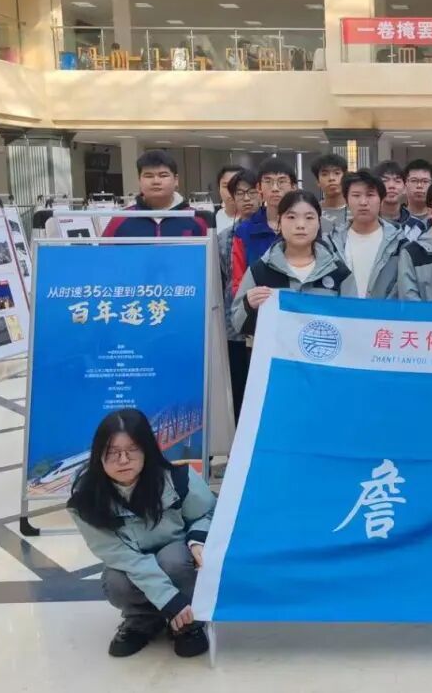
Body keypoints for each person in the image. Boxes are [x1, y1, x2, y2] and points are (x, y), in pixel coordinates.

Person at [68, 409, 216, 659]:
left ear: (147, 449)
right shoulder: (86, 500)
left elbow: (208, 512)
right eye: (112, 452)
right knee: (116, 582)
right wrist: (168, 600)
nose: (123, 460)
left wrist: (197, 541)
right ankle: (143, 619)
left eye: (132, 450)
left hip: (175, 551)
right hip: (131, 561)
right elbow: (120, 554)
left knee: (174, 560)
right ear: (98, 454)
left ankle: (189, 622)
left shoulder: (178, 478)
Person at [233, 191, 353, 334]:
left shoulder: (339, 273)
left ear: (319, 222)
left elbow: (354, 325)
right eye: (291, 217)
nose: (300, 225)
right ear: (279, 221)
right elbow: (237, 324)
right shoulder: (259, 271)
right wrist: (248, 305)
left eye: (309, 217)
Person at [218, 169, 260, 423]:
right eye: (240, 193)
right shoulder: (224, 238)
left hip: (263, 323)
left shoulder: (274, 231)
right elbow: (222, 280)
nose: (246, 199)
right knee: (238, 388)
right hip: (233, 327)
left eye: (252, 192)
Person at [328, 170, 404, 299]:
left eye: (370, 195)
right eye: (356, 195)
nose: (363, 202)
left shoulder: (400, 242)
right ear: (346, 200)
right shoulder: (331, 242)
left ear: (381, 199)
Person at [102, 151, 209, 238]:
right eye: (148, 176)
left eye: (163, 175)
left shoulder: (197, 219)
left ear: (176, 180)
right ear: (139, 180)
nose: (156, 181)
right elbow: (103, 255)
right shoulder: (120, 219)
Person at [230, 158, 297, 295]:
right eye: (268, 181)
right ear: (259, 188)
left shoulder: (304, 227)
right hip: (258, 303)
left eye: (282, 181)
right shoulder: (245, 231)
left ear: (293, 187)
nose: (275, 188)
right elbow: (238, 282)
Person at [310, 152, 349, 233]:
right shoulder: (311, 211)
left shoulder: (357, 210)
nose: (331, 178)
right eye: (324, 174)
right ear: (318, 182)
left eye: (337, 173)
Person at [402, 158, 432, 241]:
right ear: (404, 186)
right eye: (414, 181)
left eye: (425, 181)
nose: (419, 186)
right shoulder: (398, 218)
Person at [373, 160, 411, 227]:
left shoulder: (416, 226)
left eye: (397, 181)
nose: (391, 186)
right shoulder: (366, 223)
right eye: (384, 181)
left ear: (405, 188)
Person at [214, 164, 243, 230]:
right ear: (219, 189)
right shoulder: (213, 220)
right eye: (226, 186)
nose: (231, 190)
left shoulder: (257, 220)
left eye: (236, 185)